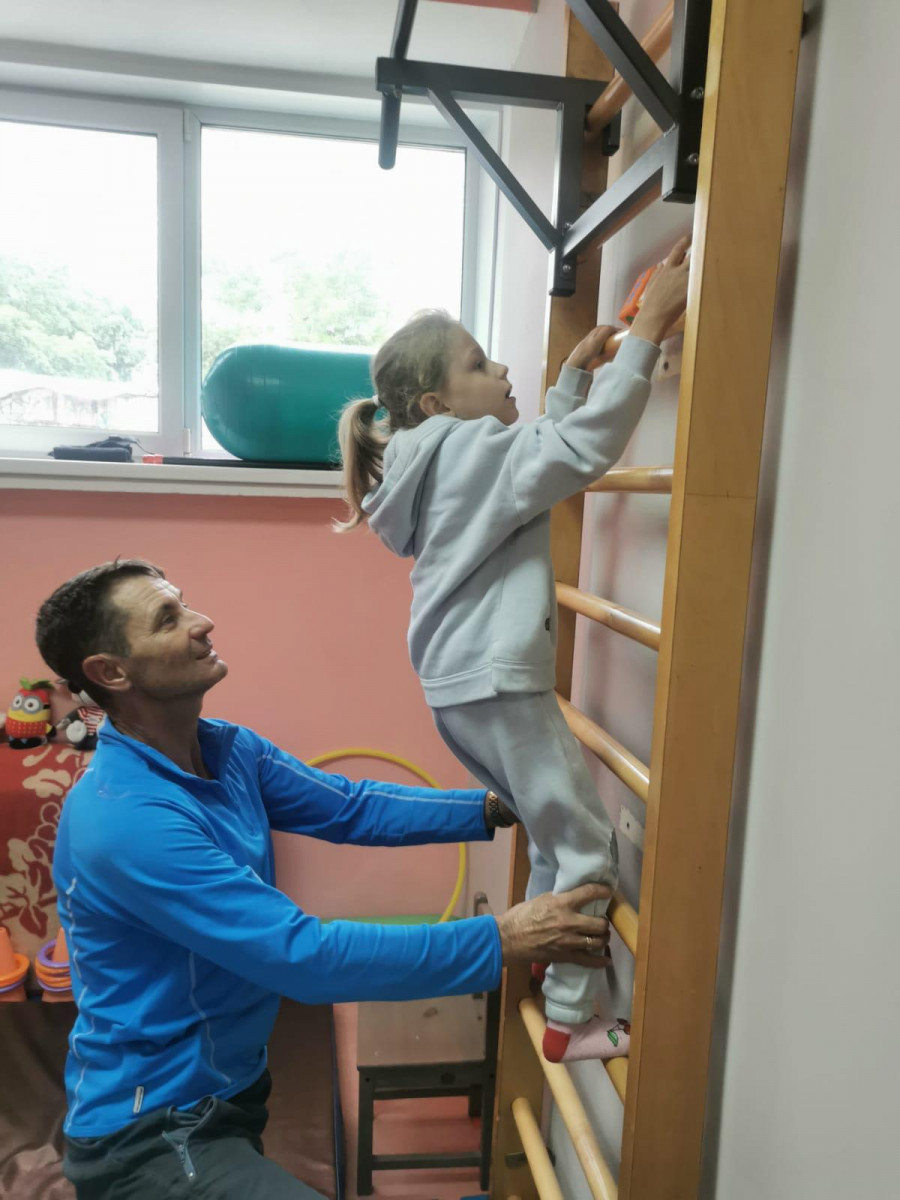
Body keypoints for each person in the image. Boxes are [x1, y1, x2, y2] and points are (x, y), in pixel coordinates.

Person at [35, 559, 614, 1200]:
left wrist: (495, 807)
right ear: (111, 672)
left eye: (185, 603)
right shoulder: (126, 818)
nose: (203, 622)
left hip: (227, 1097)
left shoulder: (227, 749)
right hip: (151, 1132)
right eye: (168, 619)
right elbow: (305, 957)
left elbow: (350, 808)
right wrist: (502, 938)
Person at [337, 235, 690, 1064]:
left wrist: (570, 380)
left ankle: (547, 976)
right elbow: (574, 452)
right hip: (495, 681)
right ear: (438, 402)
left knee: (552, 831)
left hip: (458, 685)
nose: (501, 370)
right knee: (588, 845)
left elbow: (532, 466)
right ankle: (570, 1019)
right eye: (479, 364)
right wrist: (648, 331)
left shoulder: (431, 460)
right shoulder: (468, 449)